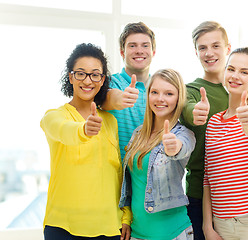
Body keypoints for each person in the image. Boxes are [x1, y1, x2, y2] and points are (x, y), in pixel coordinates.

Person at [179, 21, 248, 240]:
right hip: (202, 198)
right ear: (196, 52)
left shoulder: (242, 92)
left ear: (228, 49)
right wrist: (197, 112)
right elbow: (188, 109)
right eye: (202, 48)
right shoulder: (191, 91)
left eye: (215, 46)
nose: (209, 53)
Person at [40, 43, 131, 240]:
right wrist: (83, 129)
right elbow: (63, 130)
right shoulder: (54, 116)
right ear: (71, 77)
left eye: (95, 74)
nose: (88, 80)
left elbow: (116, 173)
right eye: (81, 73)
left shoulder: (110, 120)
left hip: (109, 228)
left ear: (102, 80)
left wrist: (126, 216)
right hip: (63, 228)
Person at [203, 47, 248, 240]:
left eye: (244, 72)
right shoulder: (213, 122)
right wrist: (207, 226)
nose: (235, 76)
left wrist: (247, 120)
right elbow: (208, 178)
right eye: (231, 69)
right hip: (221, 224)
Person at [119, 69, 196, 240]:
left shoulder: (183, 135)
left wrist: (174, 147)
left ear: (178, 98)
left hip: (173, 233)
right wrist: (126, 219)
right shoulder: (138, 134)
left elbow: (182, 148)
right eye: (155, 92)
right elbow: (133, 185)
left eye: (168, 93)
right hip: (137, 233)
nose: (160, 99)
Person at [101, 22, 156, 161]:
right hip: (117, 175)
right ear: (122, 52)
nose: (139, 51)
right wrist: (121, 98)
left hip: (149, 177)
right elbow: (107, 98)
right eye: (132, 45)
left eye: (145, 45)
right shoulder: (110, 82)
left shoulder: (160, 89)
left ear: (153, 52)